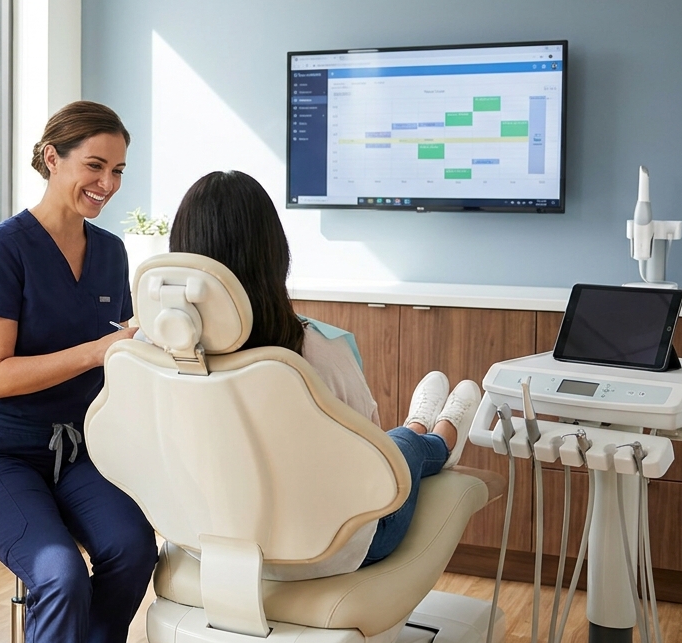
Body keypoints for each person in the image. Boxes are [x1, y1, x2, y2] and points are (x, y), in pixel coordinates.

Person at [168, 169, 481, 572]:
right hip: (332, 551)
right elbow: (373, 456)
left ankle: (420, 428)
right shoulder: (315, 349)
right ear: (273, 254)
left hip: (206, 545)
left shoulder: (155, 356)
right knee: (397, 445)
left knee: (395, 444)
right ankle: (437, 437)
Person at [0, 101, 158, 643]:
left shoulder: (111, 252)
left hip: (79, 451)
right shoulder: (2, 248)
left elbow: (116, 355)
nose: (108, 184)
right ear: (52, 158)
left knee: (134, 549)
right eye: (95, 166)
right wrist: (98, 351)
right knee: (59, 574)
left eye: (118, 170)